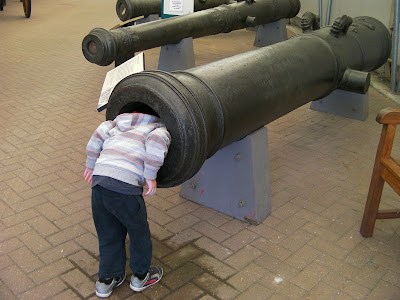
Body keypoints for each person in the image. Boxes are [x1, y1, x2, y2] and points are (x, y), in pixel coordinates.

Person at [84, 110, 171, 298]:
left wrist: (91, 165)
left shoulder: (115, 123)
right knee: (138, 232)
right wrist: (150, 176)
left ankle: (106, 280)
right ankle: (141, 276)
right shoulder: (157, 128)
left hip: (99, 183)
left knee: (108, 233)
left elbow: (96, 138)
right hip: (125, 188)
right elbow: (156, 145)